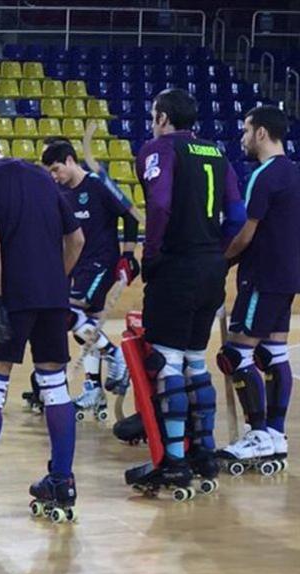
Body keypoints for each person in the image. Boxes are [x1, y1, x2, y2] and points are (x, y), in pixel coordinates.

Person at [0, 133, 85, 529]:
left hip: (11, 296)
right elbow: (76, 238)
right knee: (55, 386)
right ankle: (61, 481)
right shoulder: (43, 177)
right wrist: (57, 279)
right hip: (52, 297)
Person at [132, 88, 245, 490]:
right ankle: (205, 451)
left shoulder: (158, 149)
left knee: (166, 361)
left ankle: (175, 460)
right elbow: (236, 214)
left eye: (152, 114)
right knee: (196, 361)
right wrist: (219, 255)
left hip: (176, 266)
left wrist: (153, 252)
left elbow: (159, 206)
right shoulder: (216, 152)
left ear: (162, 117)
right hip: (211, 268)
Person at [216, 105, 297, 474]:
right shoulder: (294, 173)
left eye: (247, 131)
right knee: (274, 354)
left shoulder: (263, 176)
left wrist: (221, 262)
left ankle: (259, 432)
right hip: (286, 277)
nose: (243, 138)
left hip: (261, 277)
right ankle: (276, 435)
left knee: (236, 355)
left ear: (262, 133)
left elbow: (246, 233)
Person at [41, 140, 140, 418]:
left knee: (67, 312)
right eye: (50, 172)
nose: (55, 176)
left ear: (71, 160)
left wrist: (129, 255)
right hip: (77, 266)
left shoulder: (97, 184)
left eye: (57, 169)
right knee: (89, 327)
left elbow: (131, 216)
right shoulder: (59, 192)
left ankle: (116, 355)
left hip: (102, 263)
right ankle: (93, 391)